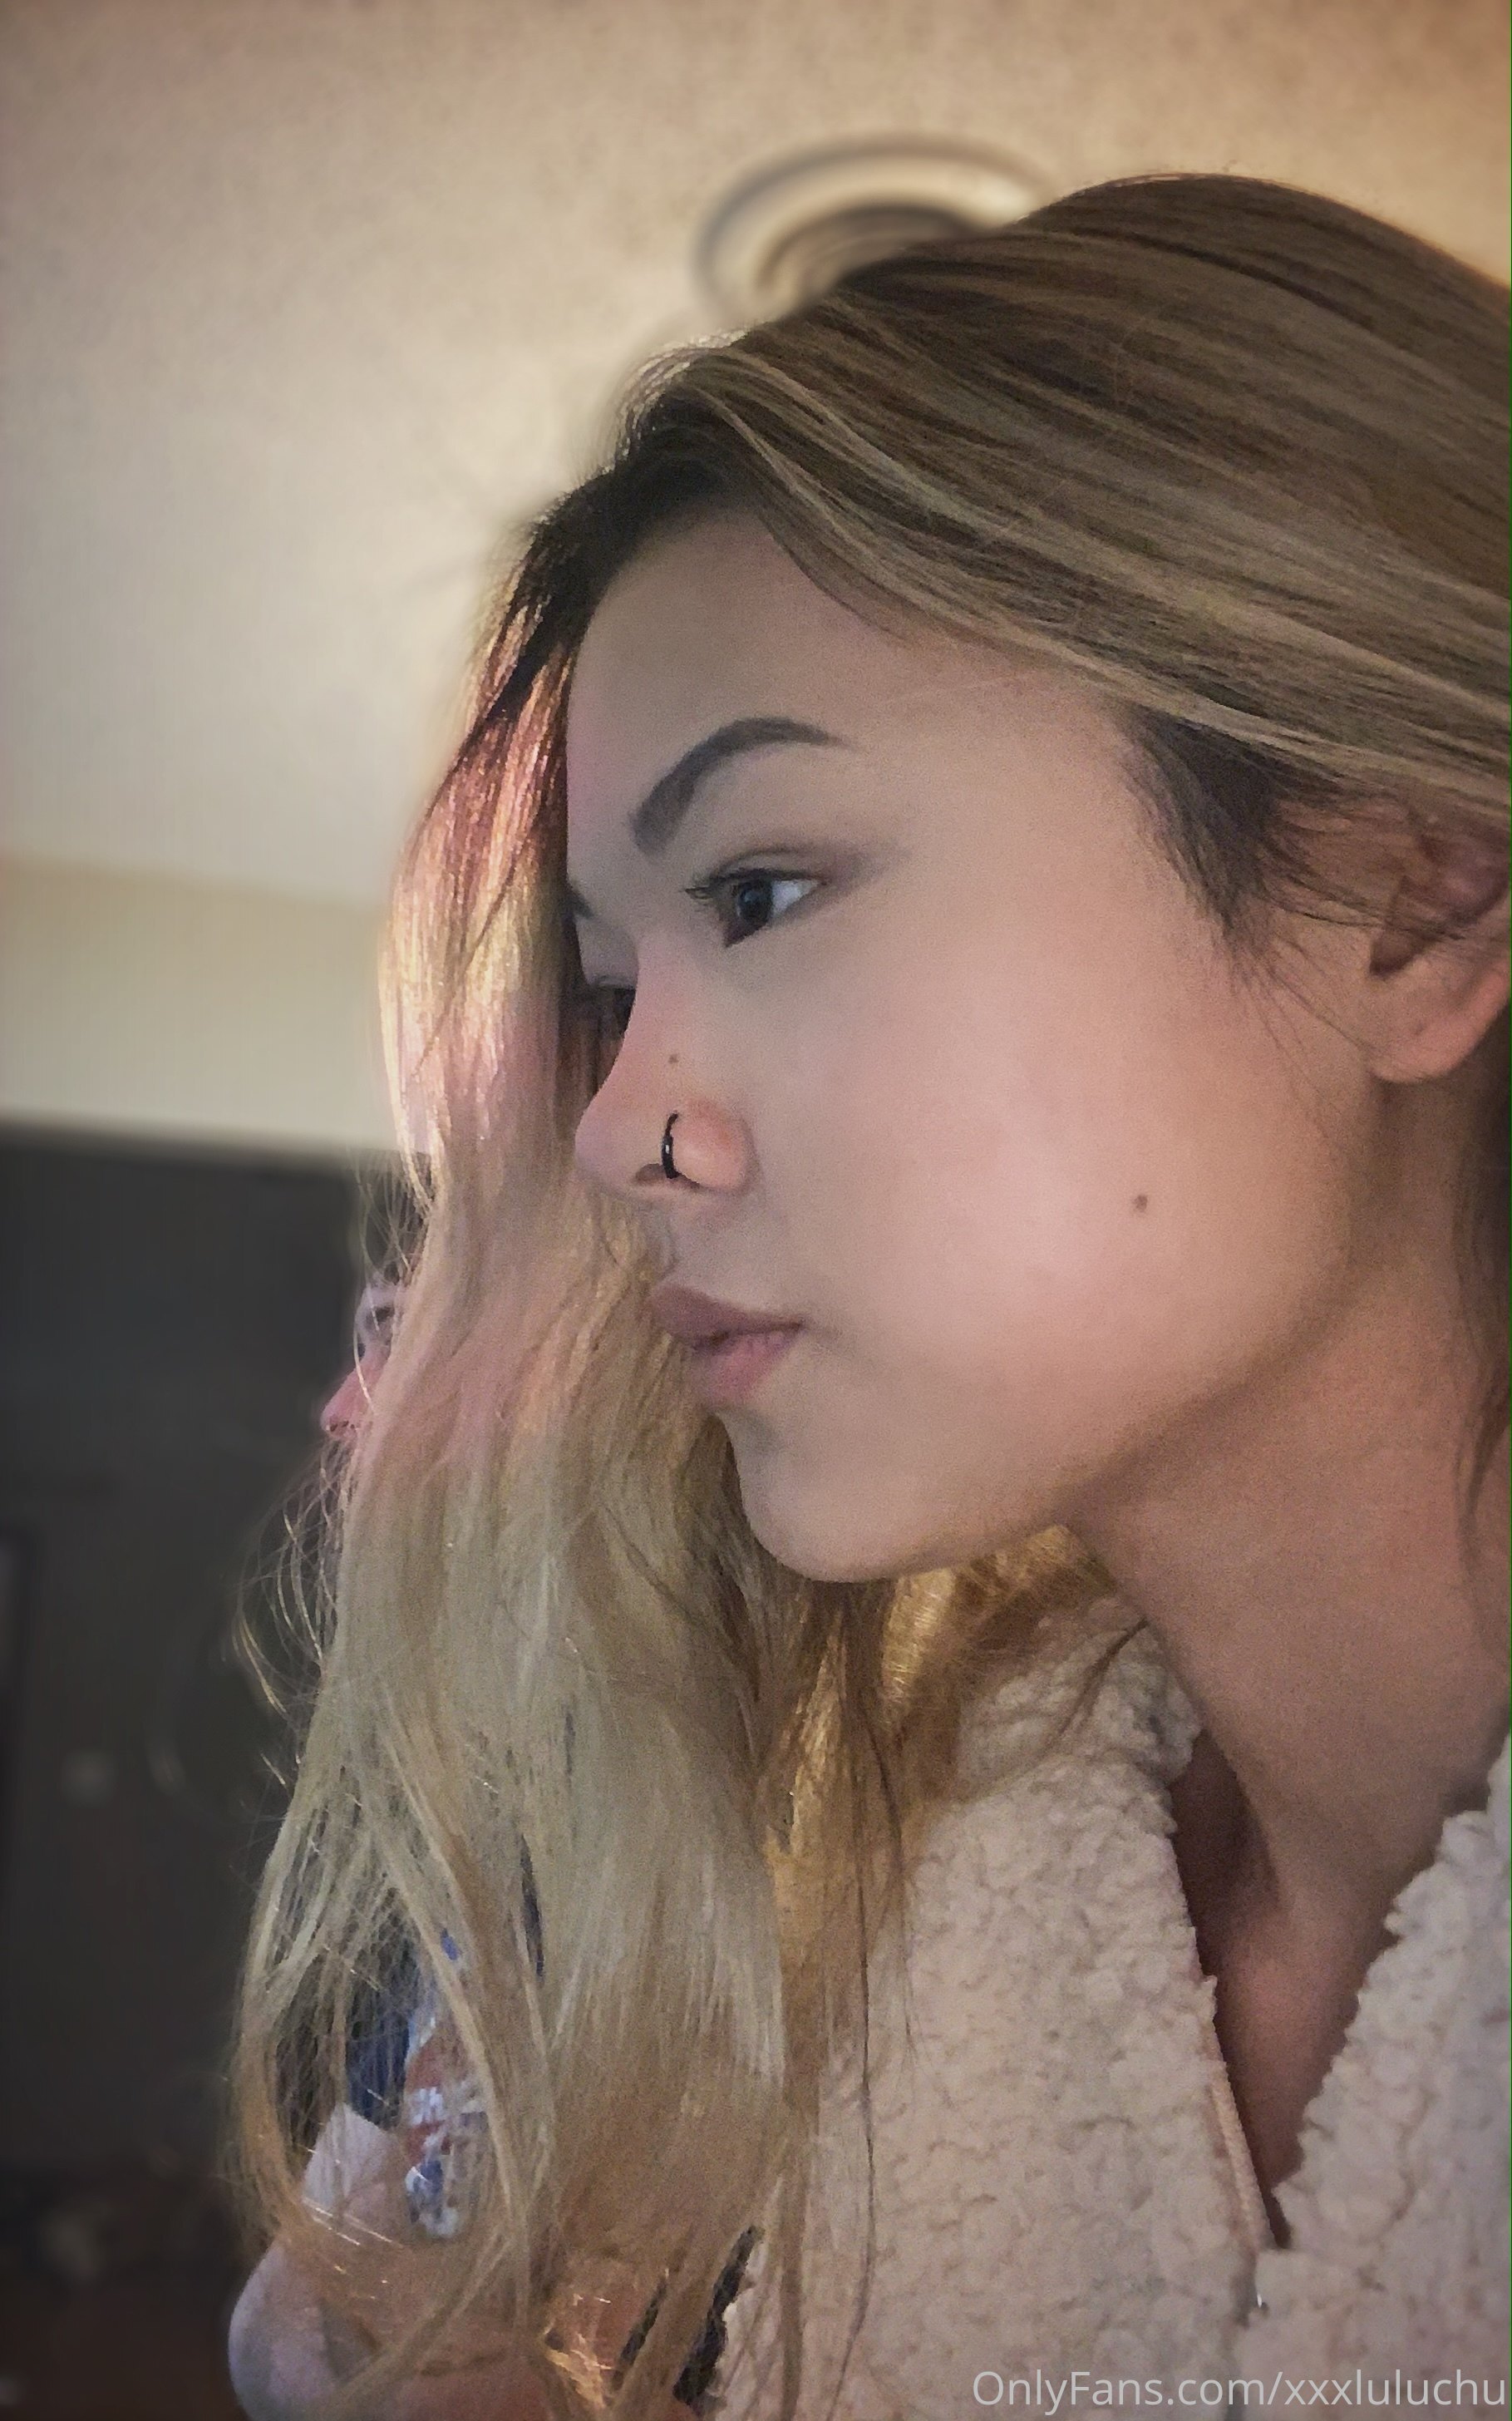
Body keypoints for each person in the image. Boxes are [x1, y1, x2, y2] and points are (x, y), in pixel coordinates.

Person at [230, 174, 1509, 2420]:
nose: (620, 1129)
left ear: (1406, 902)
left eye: (763, 888)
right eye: (609, 988)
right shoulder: (913, 1893)